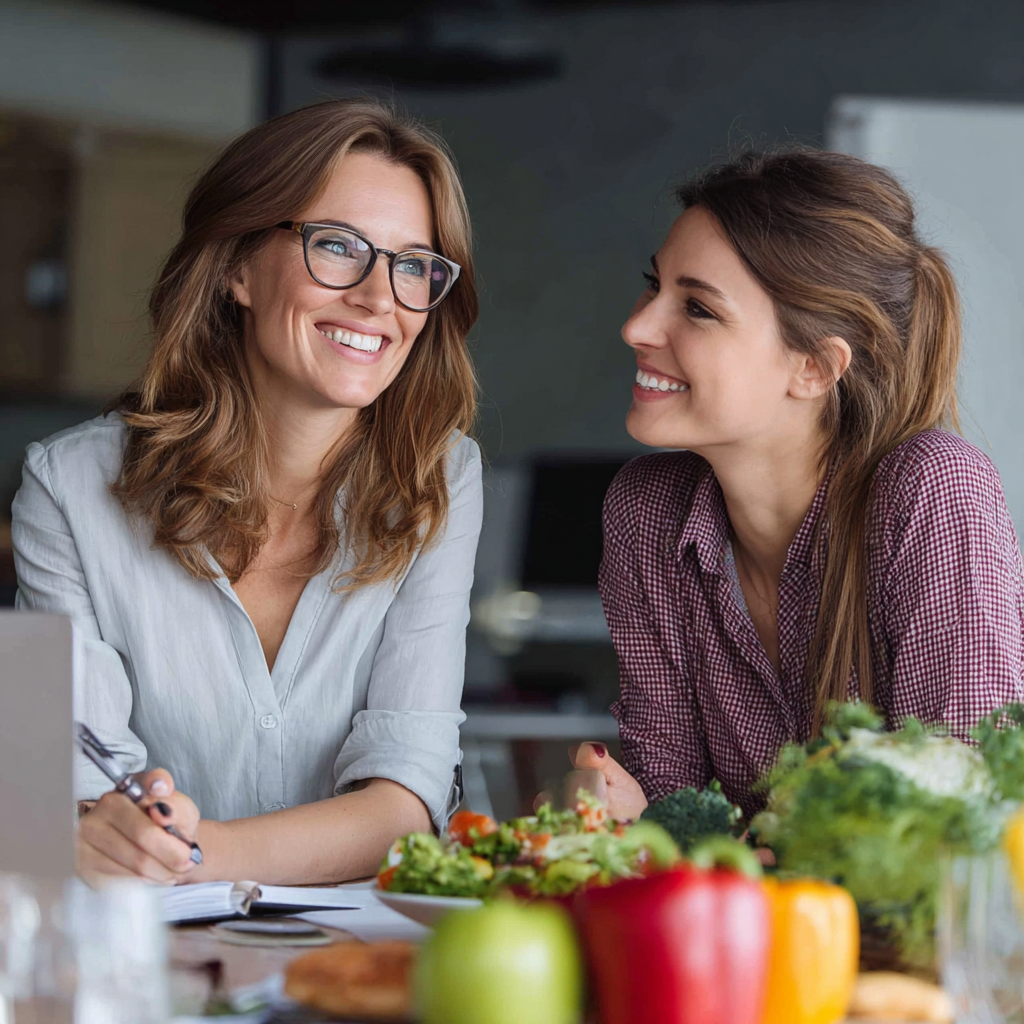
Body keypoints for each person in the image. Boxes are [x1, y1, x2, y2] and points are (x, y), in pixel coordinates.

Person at [12, 99, 482, 886]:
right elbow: (72, 788)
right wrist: (97, 828)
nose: (378, 299)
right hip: (147, 961)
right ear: (236, 267)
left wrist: (198, 855)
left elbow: (406, 796)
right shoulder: (65, 488)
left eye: (412, 265)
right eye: (338, 247)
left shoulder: (441, 479)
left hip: (356, 969)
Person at [571, 149, 1024, 821]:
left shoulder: (932, 491)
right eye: (654, 284)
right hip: (751, 926)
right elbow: (671, 805)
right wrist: (627, 808)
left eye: (697, 308)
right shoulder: (646, 511)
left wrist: (712, 846)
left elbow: (961, 820)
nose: (637, 326)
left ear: (813, 367)